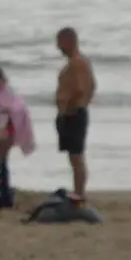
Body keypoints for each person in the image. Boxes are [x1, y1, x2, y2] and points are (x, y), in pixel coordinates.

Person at [55, 27, 96, 202]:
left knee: (76, 156)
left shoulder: (76, 63)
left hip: (74, 113)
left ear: (68, 41)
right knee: (75, 156)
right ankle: (78, 191)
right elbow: (92, 86)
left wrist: (70, 108)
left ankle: (79, 193)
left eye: (60, 43)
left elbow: (80, 88)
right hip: (75, 112)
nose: (58, 47)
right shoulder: (81, 62)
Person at [0, 65, 36, 164]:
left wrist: (8, 111)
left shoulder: (8, 91)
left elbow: (19, 107)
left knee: (3, 153)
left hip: (6, 125)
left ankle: (2, 170)